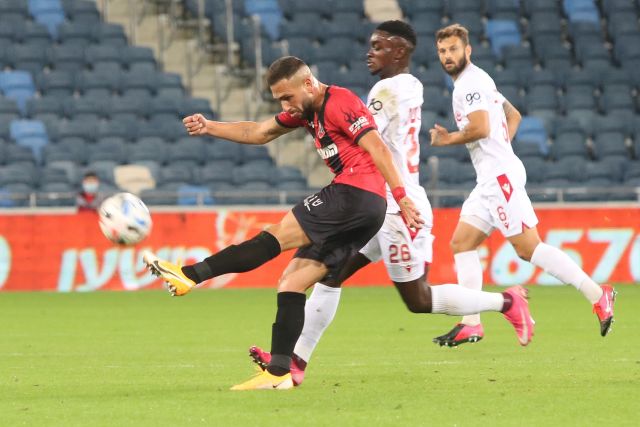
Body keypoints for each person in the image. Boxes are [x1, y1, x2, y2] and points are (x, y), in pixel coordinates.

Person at [248, 21, 535, 387]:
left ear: (399, 51)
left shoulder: (387, 90)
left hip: (395, 209)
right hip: (375, 205)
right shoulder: (408, 85)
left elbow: (365, 136)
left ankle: (507, 303)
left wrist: (316, 121)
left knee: (419, 299)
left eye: (378, 46)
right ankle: (295, 362)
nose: (370, 52)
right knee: (330, 273)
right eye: (371, 45)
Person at [143, 56, 424, 390]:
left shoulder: (340, 102)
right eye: (279, 99)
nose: (285, 105)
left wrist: (402, 195)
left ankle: (189, 275)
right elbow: (258, 132)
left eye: (287, 97)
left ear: (308, 83)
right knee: (292, 281)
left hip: (354, 194)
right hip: (366, 210)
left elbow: (377, 147)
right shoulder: (304, 110)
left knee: (274, 236)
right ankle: (278, 373)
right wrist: (210, 127)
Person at [429, 24, 616, 347]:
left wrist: (448, 140)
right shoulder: (480, 79)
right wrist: (502, 150)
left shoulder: (469, 84)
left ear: (467, 50)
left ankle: (598, 294)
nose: (448, 56)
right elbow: (512, 115)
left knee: (528, 248)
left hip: (499, 177)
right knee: (461, 243)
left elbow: (480, 128)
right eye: (443, 51)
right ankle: (471, 323)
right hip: (491, 176)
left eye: (453, 49)